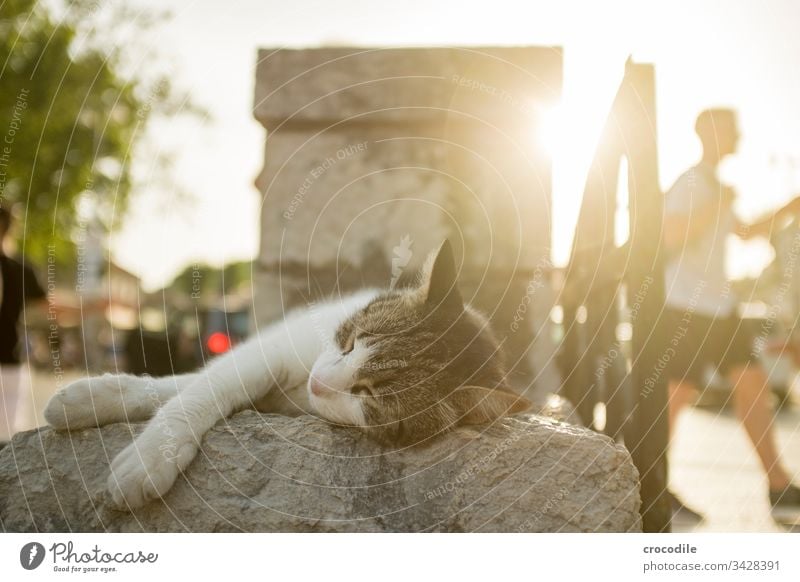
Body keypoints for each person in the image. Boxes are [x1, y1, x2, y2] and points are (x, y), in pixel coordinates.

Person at [662, 108, 800, 521]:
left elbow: (744, 234)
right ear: (710, 133)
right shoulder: (690, 182)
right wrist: (714, 205)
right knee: (676, 396)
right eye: (732, 130)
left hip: (721, 308)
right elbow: (670, 234)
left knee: (753, 385)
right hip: (685, 305)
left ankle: (779, 487)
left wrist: (790, 206)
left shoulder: (718, 186)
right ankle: (652, 484)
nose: (739, 136)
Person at [0, 207, 45, 447]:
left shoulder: (20, 271)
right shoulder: (19, 270)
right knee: (7, 442)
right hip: (9, 366)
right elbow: (53, 308)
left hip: (10, 366)